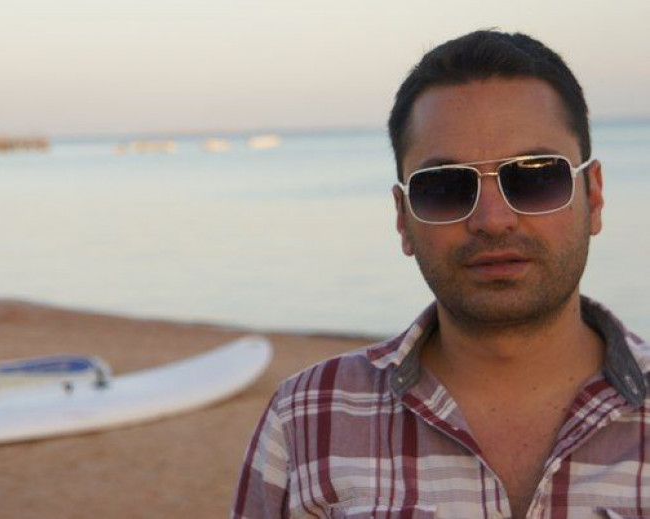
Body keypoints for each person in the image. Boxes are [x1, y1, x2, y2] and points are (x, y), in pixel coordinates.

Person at [231, 30, 649, 519]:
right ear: (402, 217)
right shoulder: (305, 421)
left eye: (534, 176)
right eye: (445, 187)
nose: (493, 220)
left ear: (593, 196)